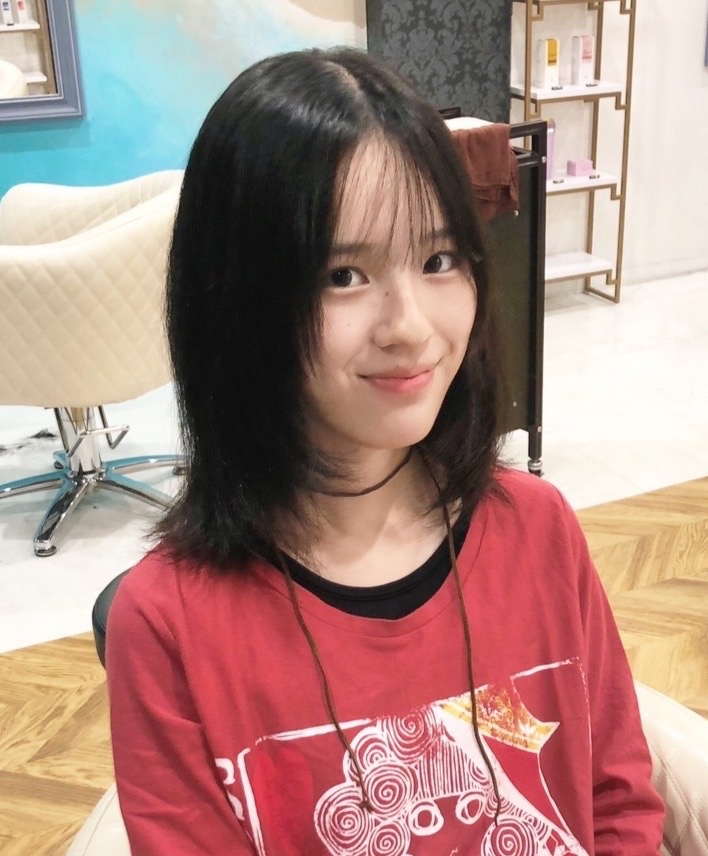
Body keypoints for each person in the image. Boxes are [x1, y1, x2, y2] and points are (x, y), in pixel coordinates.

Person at [106, 47, 664, 856]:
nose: (409, 325)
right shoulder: (168, 626)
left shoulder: (538, 529)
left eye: (438, 260)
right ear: (237, 301)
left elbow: (617, 801)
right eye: (343, 274)